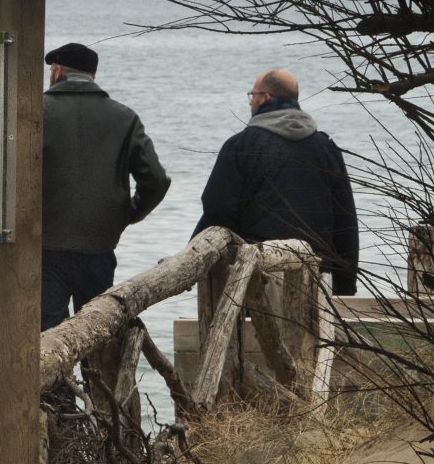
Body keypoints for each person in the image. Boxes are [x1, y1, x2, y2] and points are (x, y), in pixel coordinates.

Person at [42, 42, 171, 332]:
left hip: (45, 244)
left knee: (47, 335)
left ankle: (55, 379)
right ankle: (97, 379)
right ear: (93, 75)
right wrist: (128, 213)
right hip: (99, 245)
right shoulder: (124, 117)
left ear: (58, 71)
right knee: (97, 334)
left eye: (51, 69)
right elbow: (156, 180)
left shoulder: (35, 112)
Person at [194, 68, 358, 295]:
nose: (250, 102)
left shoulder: (241, 146)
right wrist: (346, 286)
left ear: (265, 98)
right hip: (318, 280)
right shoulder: (326, 148)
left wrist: (193, 256)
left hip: (256, 281)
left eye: (252, 95)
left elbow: (217, 210)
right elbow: (345, 222)